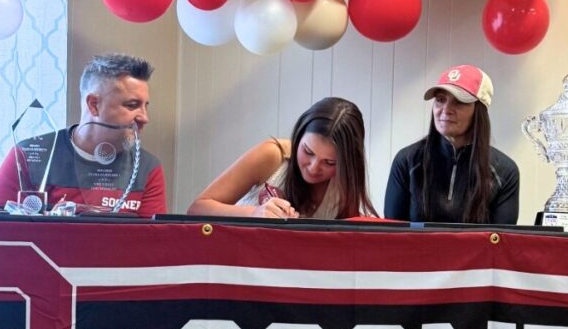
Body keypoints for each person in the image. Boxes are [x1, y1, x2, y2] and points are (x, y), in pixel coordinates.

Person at [0, 53, 166, 216]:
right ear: (94, 105)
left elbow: (152, 245)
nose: (144, 118)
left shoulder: (147, 168)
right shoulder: (29, 156)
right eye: (132, 105)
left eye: (145, 106)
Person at [188, 97, 377, 220]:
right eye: (308, 151)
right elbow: (197, 208)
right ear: (298, 135)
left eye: (329, 163)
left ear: (348, 163)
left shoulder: (344, 183)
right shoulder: (272, 155)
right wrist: (254, 213)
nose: (313, 167)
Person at [384, 64, 519, 224]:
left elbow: (501, 243)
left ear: (479, 110)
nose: (446, 109)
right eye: (440, 100)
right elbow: (392, 236)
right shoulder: (407, 161)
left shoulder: (505, 171)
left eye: (459, 102)